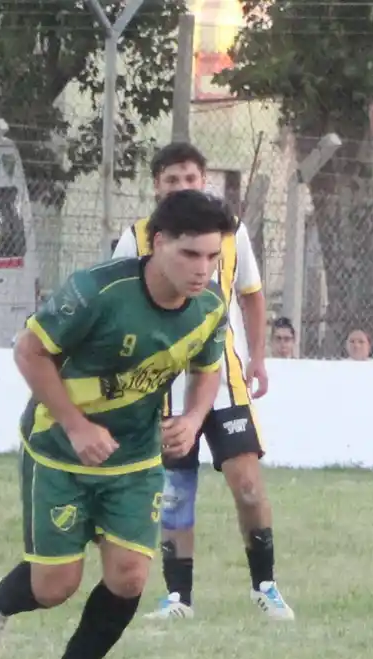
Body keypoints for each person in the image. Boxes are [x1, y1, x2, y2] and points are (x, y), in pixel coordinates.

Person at [0, 189, 234, 659]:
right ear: (158, 243)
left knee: (130, 577)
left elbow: (208, 368)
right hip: (58, 451)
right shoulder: (97, 291)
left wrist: (193, 418)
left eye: (212, 256)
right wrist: (76, 424)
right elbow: (30, 351)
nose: (203, 269)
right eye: (190, 254)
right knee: (54, 587)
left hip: (134, 459)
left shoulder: (209, 307)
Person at [110, 142, 295, 622]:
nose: (181, 186)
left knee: (248, 485)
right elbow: (117, 306)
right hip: (164, 387)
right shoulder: (135, 238)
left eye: (189, 178)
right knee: (175, 491)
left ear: (204, 181)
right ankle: (179, 598)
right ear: (157, 186)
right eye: (171, 179)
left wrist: (258, 357)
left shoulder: (232, 233)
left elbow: (251, 294)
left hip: (224, 378)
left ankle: (266, 586)